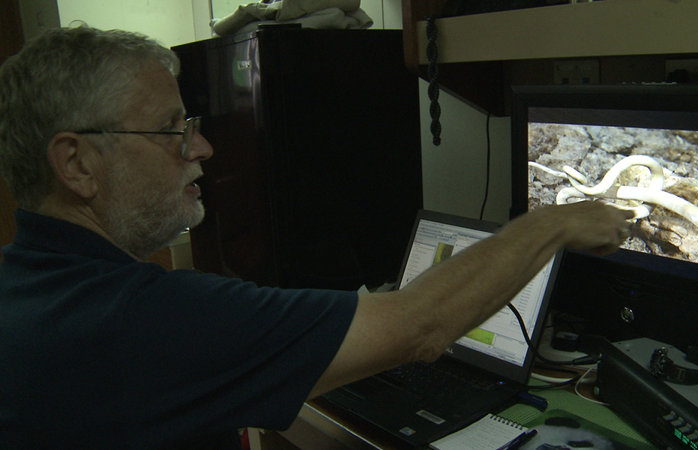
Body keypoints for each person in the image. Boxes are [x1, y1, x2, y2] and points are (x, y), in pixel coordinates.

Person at [0, 26, 633, 449]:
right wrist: (555, 222)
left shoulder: (25, 283)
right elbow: (419, 327)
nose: (203, 147)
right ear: (77, 164)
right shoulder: (138, 319)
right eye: (170, 130)